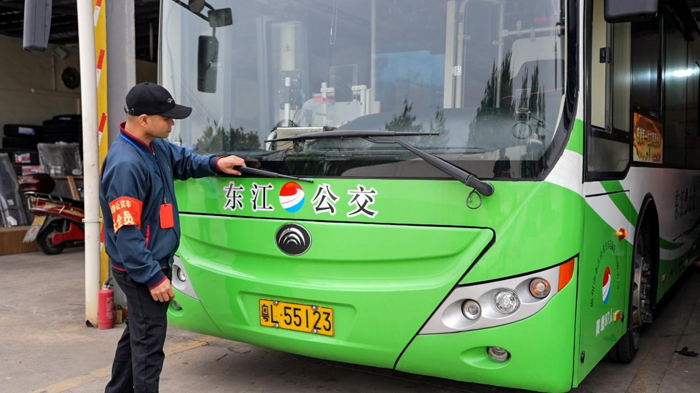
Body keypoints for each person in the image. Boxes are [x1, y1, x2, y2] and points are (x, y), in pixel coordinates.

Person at [100, 82, 245, 392]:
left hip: (151, 261)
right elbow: (127, 233)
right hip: (140, 269)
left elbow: (184, 161)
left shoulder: (154, 146)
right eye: (166, 118)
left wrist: (215, 163)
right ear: (143, 120)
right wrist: (153, 278)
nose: (172, 123)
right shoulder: (126, 164)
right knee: (149, 346)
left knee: (137, 335)